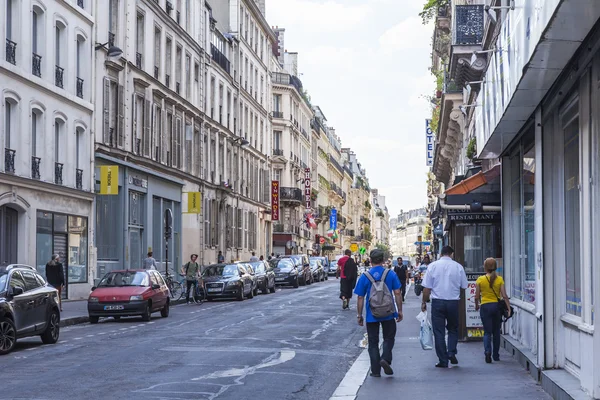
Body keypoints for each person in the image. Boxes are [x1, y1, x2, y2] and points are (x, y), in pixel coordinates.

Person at [354, 249, 403, 377]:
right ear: (383, 260)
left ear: (370, 261)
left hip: (372, 314)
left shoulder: (365, 276)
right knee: (389, 337)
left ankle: (375, 371)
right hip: (388, 312)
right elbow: (397, 293)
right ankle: (385, 358)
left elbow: (360, 297)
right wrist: (400, 310)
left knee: (373, 342)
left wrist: (359, 315)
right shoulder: (390, 274)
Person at [421, 246, 468, 368]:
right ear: (451, 254)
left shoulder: (432, 266)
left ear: (441, 253)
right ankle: (451, 352)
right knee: (453, 329)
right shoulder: (458, 267)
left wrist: (424, 302)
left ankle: (443, 359)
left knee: (439, 332)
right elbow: (463, 287)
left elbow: (427, 288)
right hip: (453, 301)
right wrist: (458, 297)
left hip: (437, 302)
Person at [475, 258, 512, 363]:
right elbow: (504, 295)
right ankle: (496, 355)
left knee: (487, 332)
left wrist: (476, 305)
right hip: (496, 307)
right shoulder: (499, 279)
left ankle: (487, 352)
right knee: (496, 332)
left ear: (485, 267)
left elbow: (476, 296)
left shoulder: (480, 280)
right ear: (495, 267)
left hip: (485, 307)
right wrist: (508, 308)